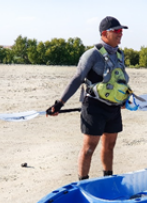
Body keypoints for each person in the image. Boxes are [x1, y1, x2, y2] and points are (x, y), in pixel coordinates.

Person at [47, 16, 131, 180]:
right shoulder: (91, 55)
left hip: (113, 108)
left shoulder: (120, 55)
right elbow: (77, 79)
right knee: (89, 147)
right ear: (105, 34)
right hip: (94, 107)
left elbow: (119, 80)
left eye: (122, 31)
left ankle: (107, 179)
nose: (121, 34)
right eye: (117, 31)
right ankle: (83, 183)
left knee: (109, 145)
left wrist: (124, 99)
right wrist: (59, 104)